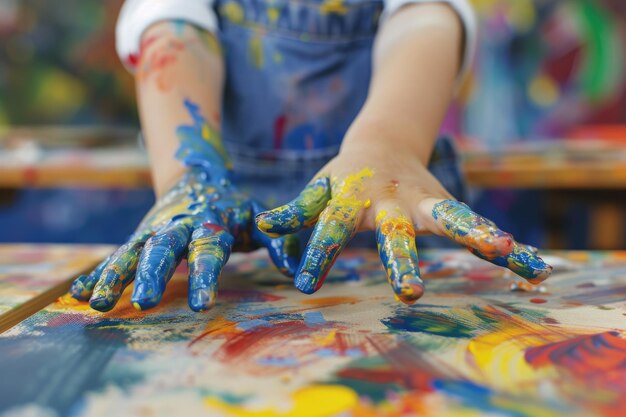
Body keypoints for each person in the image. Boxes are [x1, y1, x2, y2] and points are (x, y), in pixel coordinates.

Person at [70, 0, 553, 312]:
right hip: (230, 252)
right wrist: (190, 175)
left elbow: (426, 16)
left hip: (393, 229)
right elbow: (171, 24)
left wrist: (387, 145)